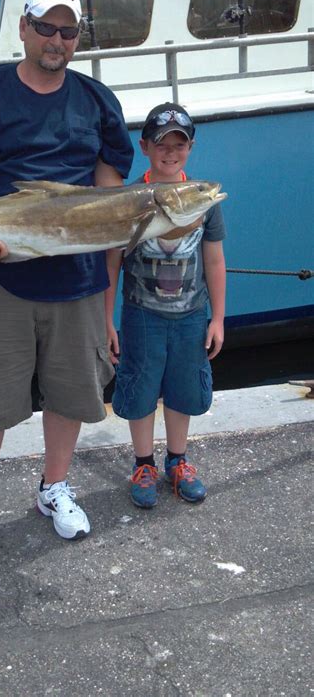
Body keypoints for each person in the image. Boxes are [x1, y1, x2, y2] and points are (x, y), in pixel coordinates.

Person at [0, 0, 134, 565]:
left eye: (68, 30)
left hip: (76, 281)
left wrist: (111, 286)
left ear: (77, 38)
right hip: (1, 275)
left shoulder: (98, 102)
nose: (56, 39)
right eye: (45, 27)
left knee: (73, 394)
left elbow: (111, 194)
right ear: (23, 28)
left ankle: (54, 489)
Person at [105, 102, 226, 509]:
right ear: (145, 147)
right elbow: (113, 263)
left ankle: (178, 459)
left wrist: (219, 319)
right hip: (141, 314)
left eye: (180, 144)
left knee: (183, 387)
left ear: (190, 148)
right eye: (162, 143)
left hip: (192, 315)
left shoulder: (205, 201)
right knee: (139, 388)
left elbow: (214, 259)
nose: (170, 152)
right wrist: (107, 320)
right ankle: (143, 464)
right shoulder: (130, 198)